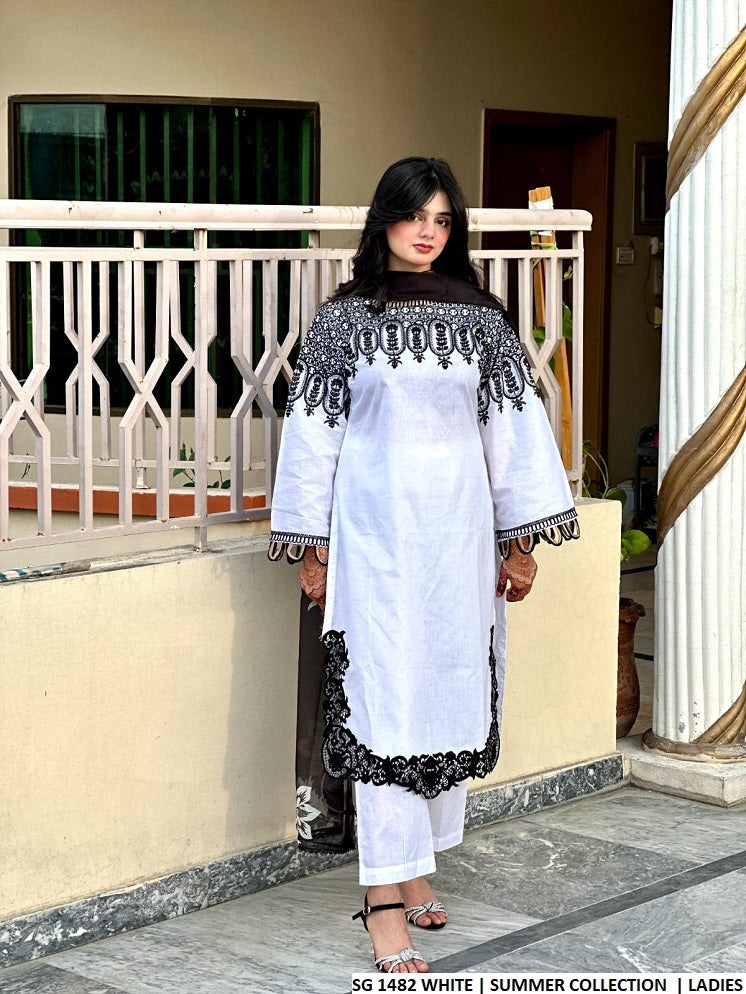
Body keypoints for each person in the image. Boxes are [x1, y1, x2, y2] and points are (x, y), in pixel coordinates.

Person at [268, 157, 578, 973]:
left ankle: (413, 869)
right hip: (374, 547)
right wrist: (313, 547)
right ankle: (382, 899)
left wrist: (519, 543)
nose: (427, 232)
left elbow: (514, 434)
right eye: (414, 217)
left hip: (458, 550)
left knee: (443, 698)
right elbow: (313, 437)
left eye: (442, 220)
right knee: (382, 707)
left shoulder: (482, 319)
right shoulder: (343, 321)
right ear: (385, 222)